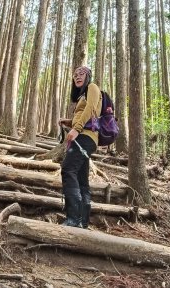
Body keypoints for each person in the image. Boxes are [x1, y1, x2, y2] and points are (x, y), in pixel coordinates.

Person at [58, 66, 102, 228]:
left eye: (81, 73)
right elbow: (85, 114)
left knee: (68, 169)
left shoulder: (93, 87)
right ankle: (83, 221)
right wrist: (68, 123)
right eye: (75, 75)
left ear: (88, 76)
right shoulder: (82, 95)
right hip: (84, 136)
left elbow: (91, 108)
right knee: (82, 179)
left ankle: (73, 218)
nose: (77, 76)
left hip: (85, 137)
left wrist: (76, 129)